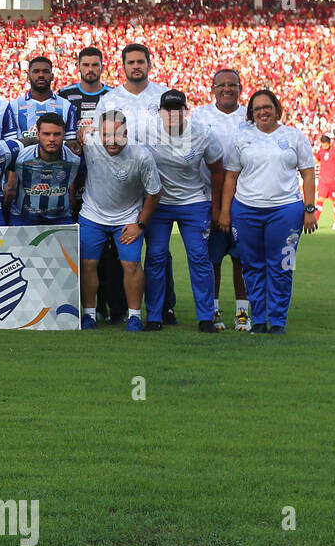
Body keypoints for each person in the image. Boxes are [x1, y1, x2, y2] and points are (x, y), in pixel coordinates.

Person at [219, 89, 317, 334]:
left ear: (277, 109)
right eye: (257, 109)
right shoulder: (242, 138)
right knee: (252, 267)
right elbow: (231, 177)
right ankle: (259, 321)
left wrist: (309, 209)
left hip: (285, 211)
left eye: (267, 107)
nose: (262, 112)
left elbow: (307, 173)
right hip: (246, 210)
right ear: (251, 114)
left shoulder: (294, 136)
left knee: (282, 266)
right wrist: (225, 211)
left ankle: (278, 322)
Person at [98, 43, 177, 323]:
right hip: (122, 186)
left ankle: (164, 308)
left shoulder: (163, 94)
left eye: (140, 61)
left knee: (158, 250)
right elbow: (99, 139)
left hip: (158, 182)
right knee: (121, 251)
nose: (136, 66)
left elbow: (177, 132)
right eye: (130, 62)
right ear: (123, 66)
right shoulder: (109, 99)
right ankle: (122, 309)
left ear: (149, 64)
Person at [141, 91, 224, 332]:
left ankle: (206, 317)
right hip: (159, 203)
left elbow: (217, 169)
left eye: (178, 108)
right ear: (160, 112)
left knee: (199, 257)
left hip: (194, 201)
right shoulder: (146, 131)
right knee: (155, 257)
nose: (173, 113)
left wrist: (216, 207)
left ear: (185, 111)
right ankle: (154, 317)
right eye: (168, 109)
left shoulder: (202, 134)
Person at [78, 110, 162, 331]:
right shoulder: (90, 142)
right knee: (87, 264)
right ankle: (89, 315)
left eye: (117, 135)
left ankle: (134, 316)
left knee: (131, 264)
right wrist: (83, 130)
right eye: (106, 134)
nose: (112, 141)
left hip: (127, 218)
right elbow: (81, 134)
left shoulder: (141, 156)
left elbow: (155, 193)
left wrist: (140, 224)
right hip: (92, 215)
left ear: (126, 132)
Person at [60, 46, 124, 324]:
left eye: (94, 64)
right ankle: (83, 306)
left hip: (105, 178)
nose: (90, 69)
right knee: (83, 251)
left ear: (102, 66)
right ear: (78, 67)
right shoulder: (65, 96)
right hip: (74, 178)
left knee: (111, 255)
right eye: (85, 64)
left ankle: (112, 306)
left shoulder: (112, 96)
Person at [191, 68, 250, 330]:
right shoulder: (201, 116)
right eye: (221, 85)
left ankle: (242, 314)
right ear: (212, 88)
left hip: (243, 199)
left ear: (240, 87)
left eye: (232, 85)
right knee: (211, 260)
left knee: (242, 260)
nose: (227, 89)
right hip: (207, 197)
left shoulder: (249, 116)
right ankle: (213, 312)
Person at [5, 113, 81, 226]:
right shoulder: (21, 157)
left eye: (56, 134)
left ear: (64, 135)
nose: (51, 139)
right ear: (38, 135)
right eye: (46, 134)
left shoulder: (74, 159)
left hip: (61, 219)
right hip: (23, 218)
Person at [12, 57, 77, 143]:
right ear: (28, 76)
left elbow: (70, 142)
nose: (41, 75)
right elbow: (11, 143)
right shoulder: (14, 106)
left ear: (52, 76)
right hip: (25, 156)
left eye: (45, 71)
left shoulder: (66, 106)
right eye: (36, 71)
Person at [317, 133, 335, 231]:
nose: (324, 146)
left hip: (334, 181)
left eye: (325, 144)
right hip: (323, 181)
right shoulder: (321, 151)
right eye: (322, 144)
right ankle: (316, 221)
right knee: (319, 201)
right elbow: (317, 158)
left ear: (329, 143)